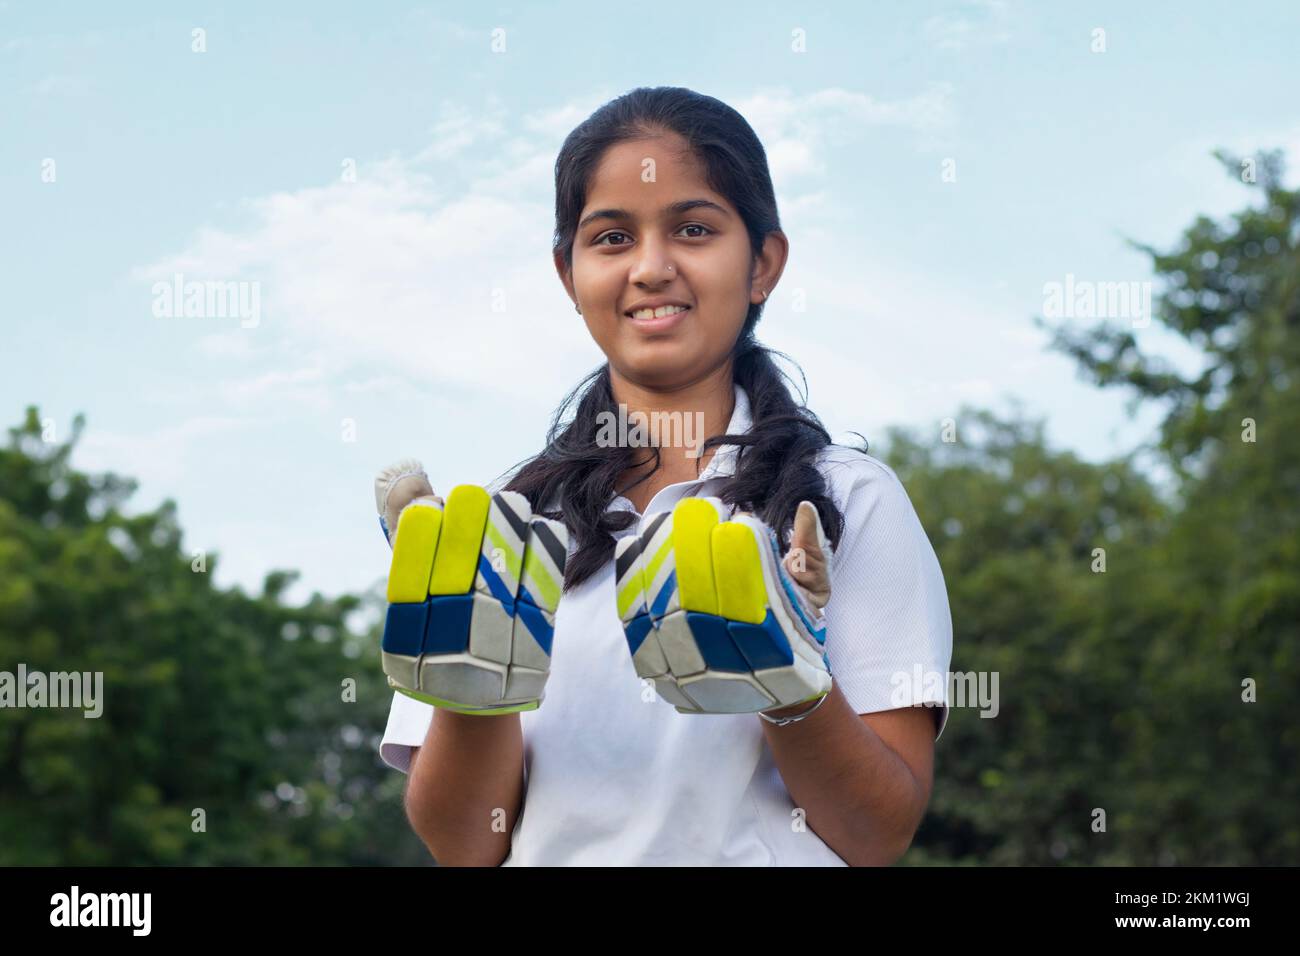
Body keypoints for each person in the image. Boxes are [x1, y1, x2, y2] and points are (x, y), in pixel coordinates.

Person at [377, 86, 953, 866]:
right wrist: (475, 685)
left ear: (763, 265)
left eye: (693, 229)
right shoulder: (503, 524)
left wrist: (788, 677)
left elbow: (876, 834)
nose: (651, 268)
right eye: (611, 237)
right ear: (568, 274)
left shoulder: (847, 499)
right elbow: (462, 846)